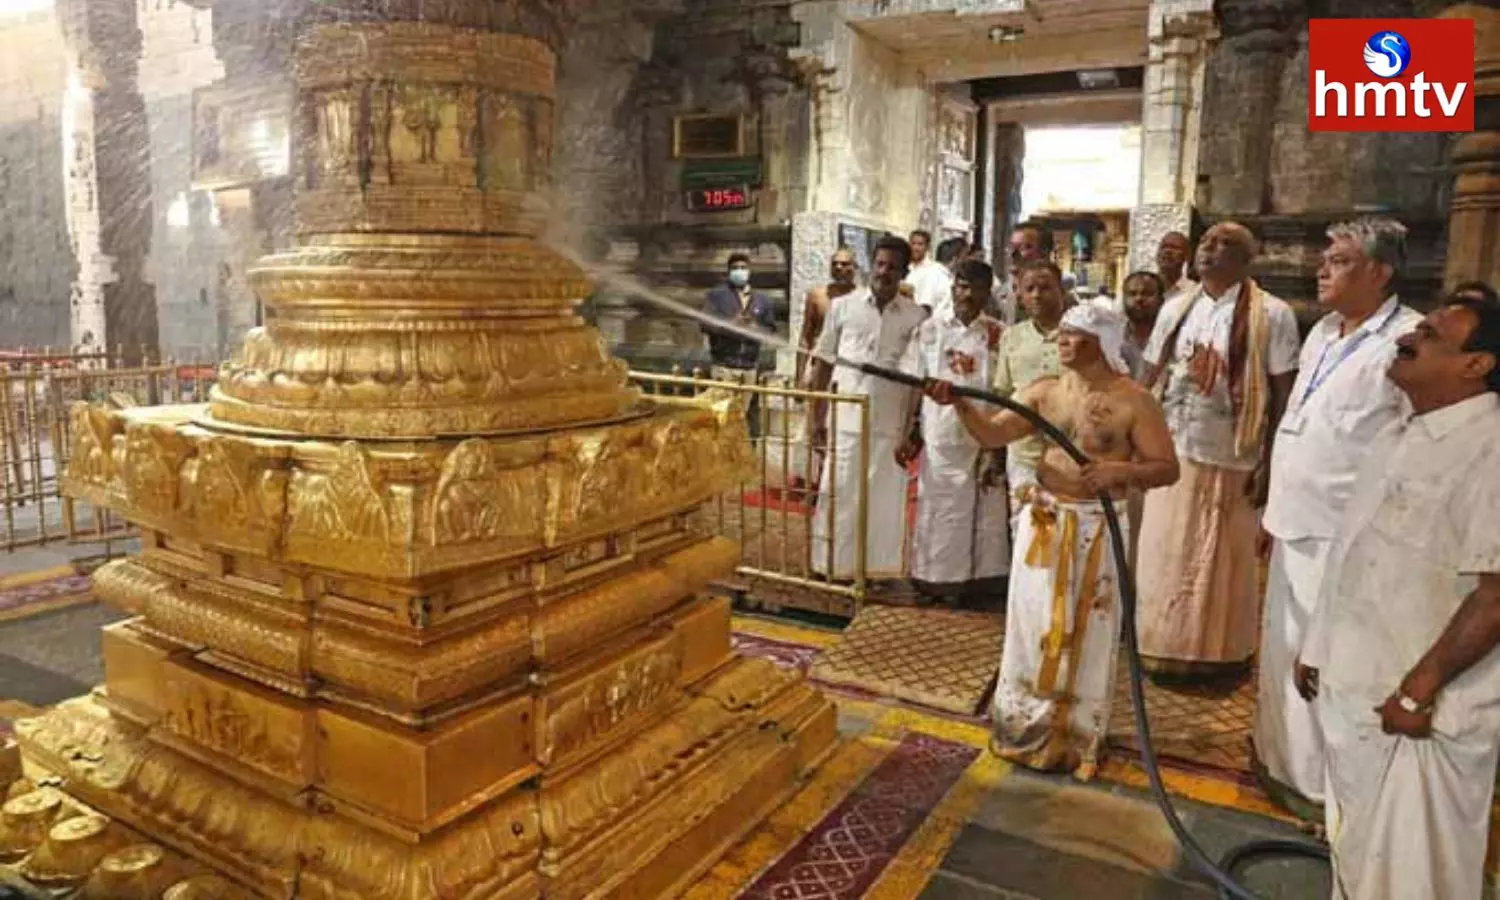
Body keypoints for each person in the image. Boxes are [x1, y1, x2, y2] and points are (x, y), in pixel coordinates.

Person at [1297, 294, 1500, 900]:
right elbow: (1352, 549)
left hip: (1422, 714)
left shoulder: (1490, 451)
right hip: (1357, 692)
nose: (1413, 332)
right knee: (1360, 860)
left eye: (1435, 334)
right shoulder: (1396, 431)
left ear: (1477, 364)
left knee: (1414, 877)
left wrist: (1418, 690)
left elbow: (1495, 597)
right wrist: (1317, 645)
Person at [924, 302, 1179, 778]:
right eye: (1060, 333)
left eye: (1073, 333)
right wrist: (959, 403)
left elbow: (1167, 468)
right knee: (1032, 623)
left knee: (1089, 632)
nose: (1061, 340)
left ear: (1101, 341)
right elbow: (990, 436)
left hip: (1097, 529)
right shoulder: (1043, 392)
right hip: (1044, 521)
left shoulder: (1134, 401)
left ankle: (1077, 738)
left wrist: (1120, 470)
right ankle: (1022, 728)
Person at [1253, 218, 1422, 816]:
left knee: (1327, 664)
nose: (1322, 268)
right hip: (1294, 518)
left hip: (1345, 533)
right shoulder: (1323, 330)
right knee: (1283, 653)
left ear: (1380, 272)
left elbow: (1411, 443)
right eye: (1325, 257)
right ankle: (1282, 767)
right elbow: (1302, 419)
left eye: (1341, 260)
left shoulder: (1407, 339)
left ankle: (1329, 792)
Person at [1135, 222, 1300, 676]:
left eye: (1225, 245)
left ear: (1248, 260)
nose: (1210, 249)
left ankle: (1217, 657)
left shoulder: (1274, 314)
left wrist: (1273, 460)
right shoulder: (1176, 307)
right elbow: (1147, 378)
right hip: (1172, 450)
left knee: (1220, 558)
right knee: (1163, 551)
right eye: (1206, 242)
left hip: (1233, 453)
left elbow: (1283, 393)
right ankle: (1155, 645)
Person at [807, 236, 926, 584]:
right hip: (845, 418)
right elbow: (824, 363)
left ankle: (875, 569)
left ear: (904, 271)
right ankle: (832, 566)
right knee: (839, 489)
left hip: (890, 422)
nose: (885, 272)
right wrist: (816, 417)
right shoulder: (844, 307)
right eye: (880, 264)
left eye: (893, 267)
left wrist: (913, 430)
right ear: (871, 265)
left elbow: (920, 379)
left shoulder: (915, 317)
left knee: (883, 498)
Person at [898, 259, 1008, 607]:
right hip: (942, 432)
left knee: (988, 510)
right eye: (962, 286)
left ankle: (982, 581)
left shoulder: (998, 334)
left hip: (987, 432)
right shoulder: (930, 330)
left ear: (987, 292)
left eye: (976, 288)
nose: (967, 294)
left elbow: (1005, 388)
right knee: (943, 508)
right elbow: (913, 382)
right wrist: (908, 430)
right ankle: (937, 581)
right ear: (953, 287)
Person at [994, 260, 1067, 526]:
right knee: (1024, 527)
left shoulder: (1081, 334)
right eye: (1029, 288)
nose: (1037, 294)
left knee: (1066, 528)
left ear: (1062, 290)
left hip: (1070, 452)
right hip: (1023, 453)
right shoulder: (1011, 337)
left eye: (1045, 287)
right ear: (1020, 295)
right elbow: (1002, 393)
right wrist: (995, 453)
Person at [791, 247, 859, 495]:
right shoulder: (818, 296)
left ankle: (841, 482)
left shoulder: (862, 298)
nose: (840, 268)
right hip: (820, 371)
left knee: (844, 428)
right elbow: (806, 338)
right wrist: (799, 376)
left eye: (845, 264)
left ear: (855, 268)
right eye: (836, 264)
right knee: (816, 428)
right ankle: (818, 484)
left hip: (849, 372)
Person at [702, 252, 776, 436]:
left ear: (750, 271)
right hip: (724, 367)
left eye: (743, 268)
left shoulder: (762, 301)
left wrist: (754, 327)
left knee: (740, 420)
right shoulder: (717, 296)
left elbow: (771, 331)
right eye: (735, 268)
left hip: (749, 368)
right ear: (728, 272)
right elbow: (705, 324)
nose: (739, 271)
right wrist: (730, 325)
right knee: (720, 417)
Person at [995, 222, 1053, 325]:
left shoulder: (1062, 301)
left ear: (1045, 252)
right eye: (1011, 247)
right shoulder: (996, 297)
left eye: (1024, 247)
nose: (1013, 254)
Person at [1119, 270, 1166, 383]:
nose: (1139, 299)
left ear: (1161, 300)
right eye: (1132, 294)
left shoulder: (1171, 339)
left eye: (1147, 294)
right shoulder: (1110, 339)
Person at [905, 230, 953, 317]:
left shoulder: (934, 271)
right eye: (913, 243)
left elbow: (927, 305)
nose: (915, 248)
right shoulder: (903, 268)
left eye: (920, 244)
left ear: (927, 247)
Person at [1156, 231, 1198, 305]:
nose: (1167, 251)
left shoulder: (1194, 292)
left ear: (1187, 256)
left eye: (1174, 247)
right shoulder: (1143, 287)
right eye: (1163, 247)